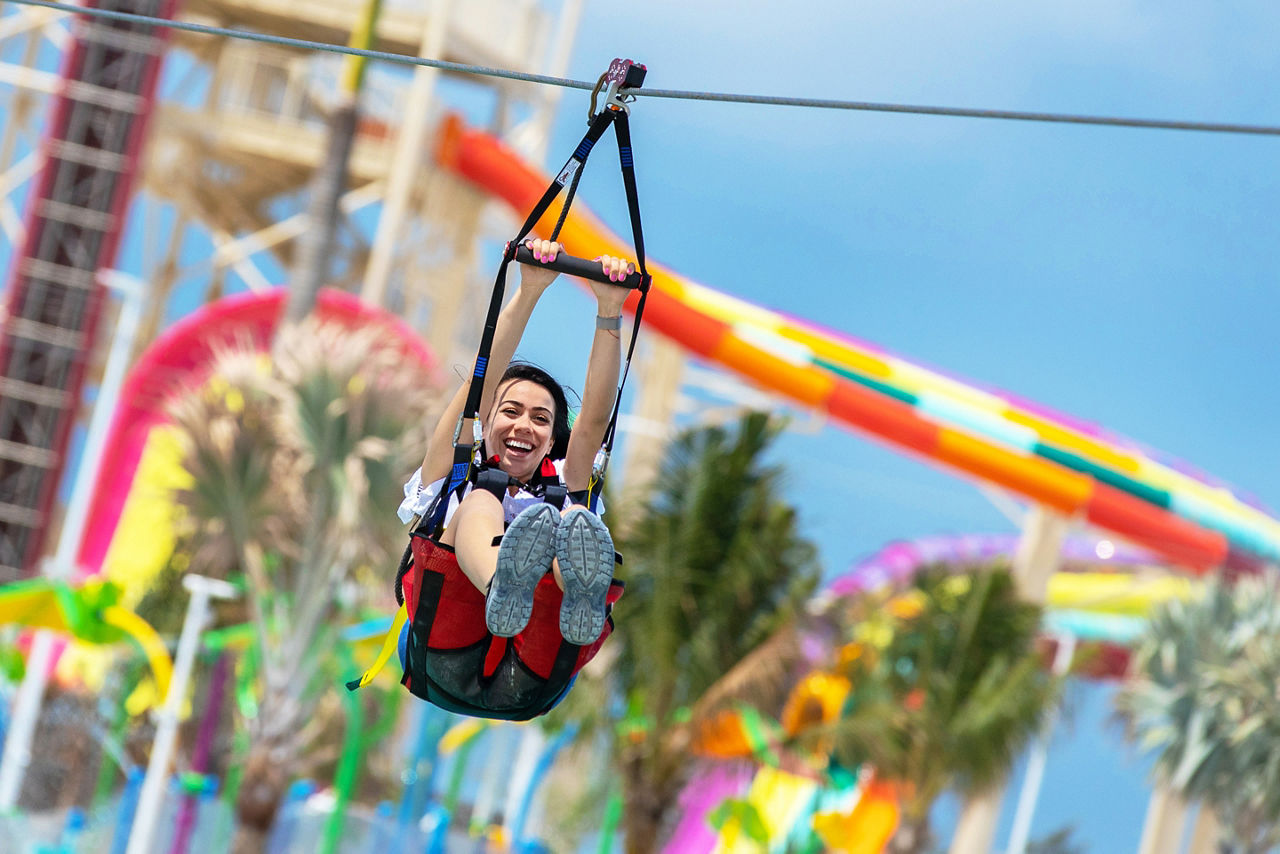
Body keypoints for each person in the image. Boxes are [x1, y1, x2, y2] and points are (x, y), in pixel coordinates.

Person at [393, 238, 634, 719]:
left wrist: (610, 310)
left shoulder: (567, 481)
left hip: (533, 668)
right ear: (488, 422)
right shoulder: (456, 472)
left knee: (573, 524)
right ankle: (504, 580)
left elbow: (592, 423)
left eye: (541, 420)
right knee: (481, 500)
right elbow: (475, 387)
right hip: (444, 648)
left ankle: (579, 599)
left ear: (551, 441)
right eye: (511, 411)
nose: (525, 425)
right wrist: (528, 290)